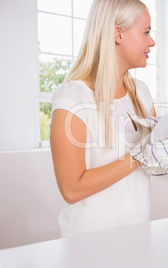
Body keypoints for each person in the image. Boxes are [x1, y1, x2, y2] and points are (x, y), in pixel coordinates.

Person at [50, 0, 156, 237]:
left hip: (138, 235)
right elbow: (71, 189)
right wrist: (138, 157)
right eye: (146, 32)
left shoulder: (142, 92)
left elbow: (155, 162)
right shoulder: (73, 97)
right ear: (117, 33)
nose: (152, 41)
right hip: (88, 246)